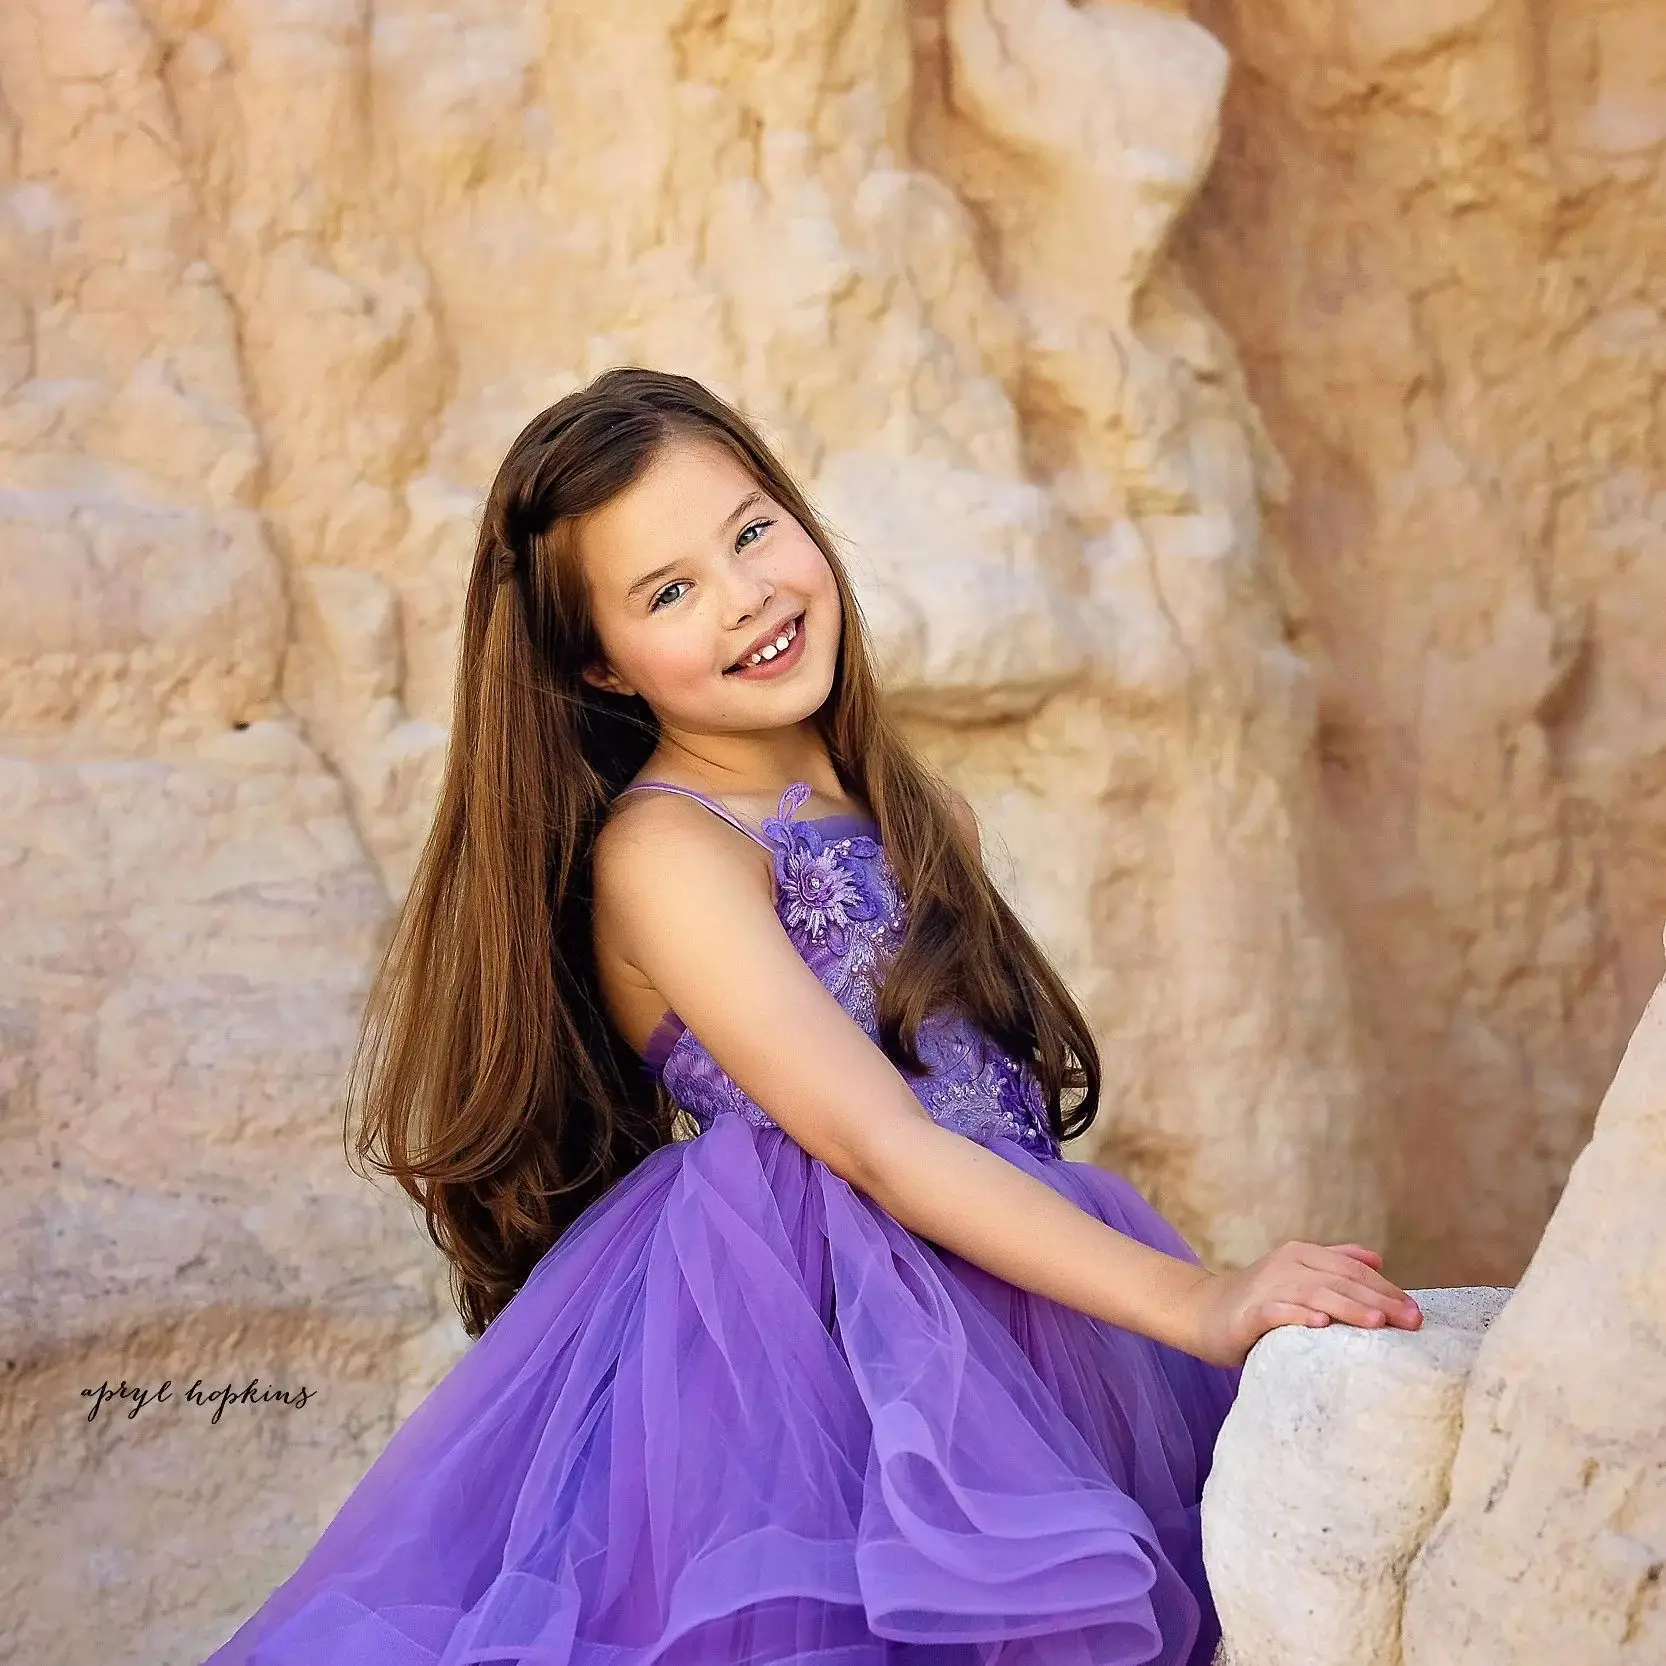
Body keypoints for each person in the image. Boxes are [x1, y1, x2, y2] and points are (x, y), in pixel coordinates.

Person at [202, 367, 1421, 1666]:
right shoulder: (669, 849)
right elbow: (878, 1143)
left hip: (1006, 1310)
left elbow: (970, 1116)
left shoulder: (920, 812)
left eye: (748, 531)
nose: (744, 597)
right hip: (799, 1349)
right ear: (597, 661)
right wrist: (1196, 1300)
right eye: (668, 590)